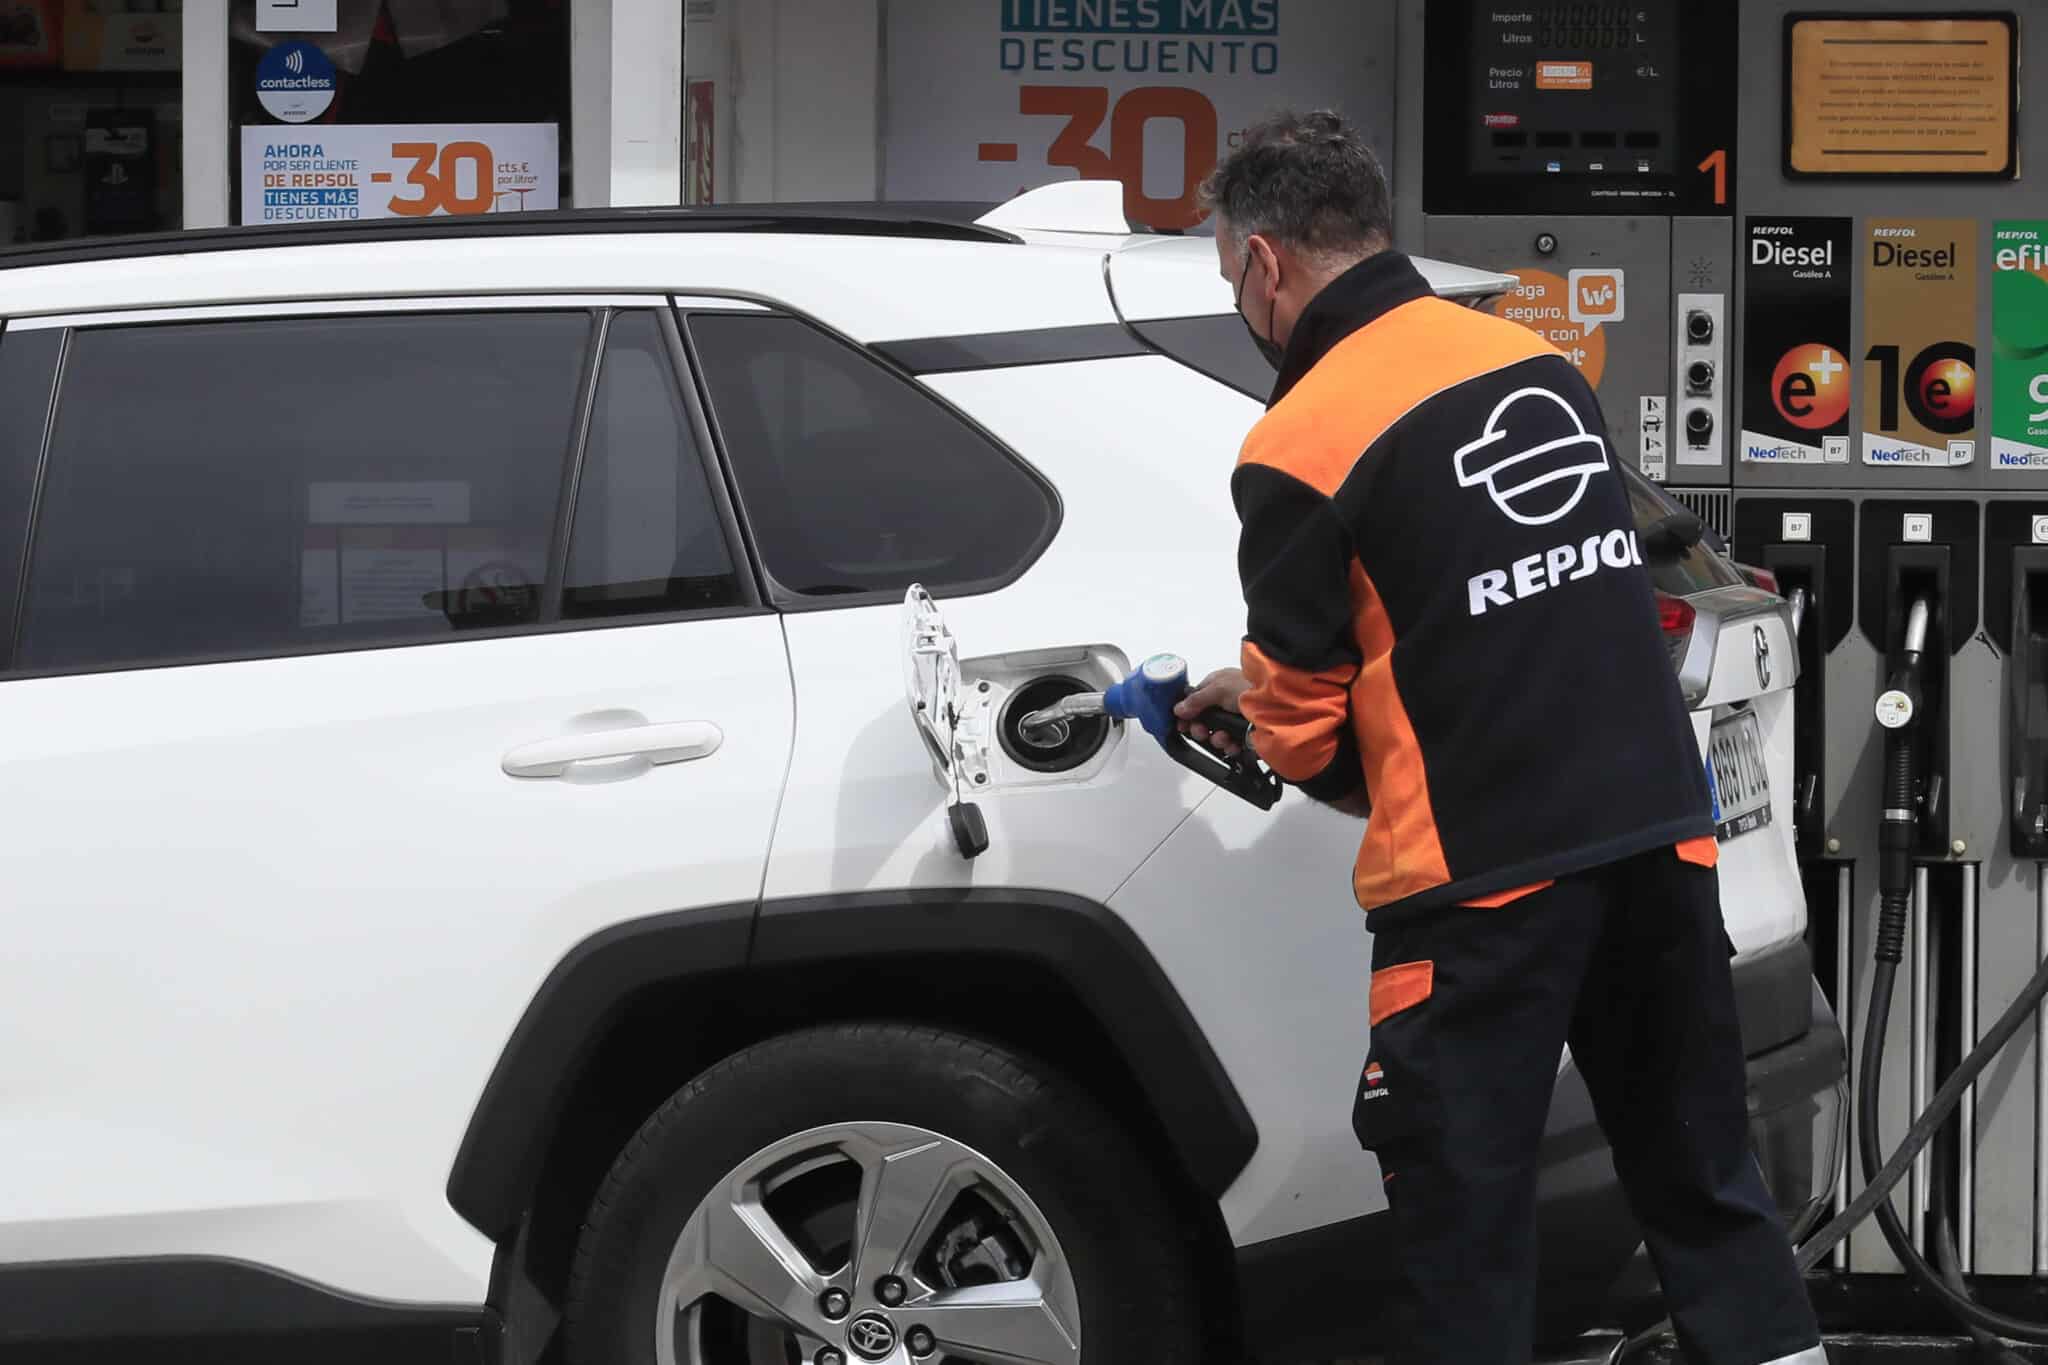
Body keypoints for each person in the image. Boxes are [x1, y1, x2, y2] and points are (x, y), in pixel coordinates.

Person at [1173, 109, 1825, 1365]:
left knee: (1462, 1219)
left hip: (1484, 884)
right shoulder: (1528, 365)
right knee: (1700, 1183)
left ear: (1263, 262)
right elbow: (1509, 605)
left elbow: (1304, 737)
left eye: (1226, 279)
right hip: (1656, 840)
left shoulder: (1299, 439)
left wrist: (1265, 719)